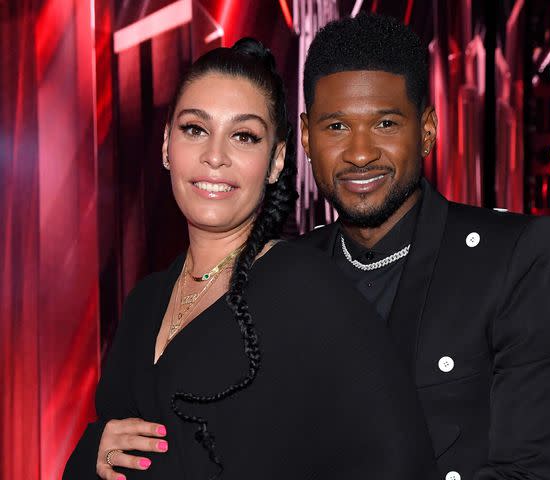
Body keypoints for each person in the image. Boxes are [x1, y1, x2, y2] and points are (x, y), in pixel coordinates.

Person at [63, 38, 439, 480]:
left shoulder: (306, 291)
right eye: (195, 129)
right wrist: (95, 452)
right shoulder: (144, 302)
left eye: (243, 136)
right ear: (167, 144)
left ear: (276, 161)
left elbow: (399, 462)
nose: (215, 156)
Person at [296, 14, 550, 480]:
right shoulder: (285, 273)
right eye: (336, 127)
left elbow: (534, 472)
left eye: (386, 123)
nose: (361, 152)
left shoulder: (515, 259)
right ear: (307, 138)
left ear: (426, 130)